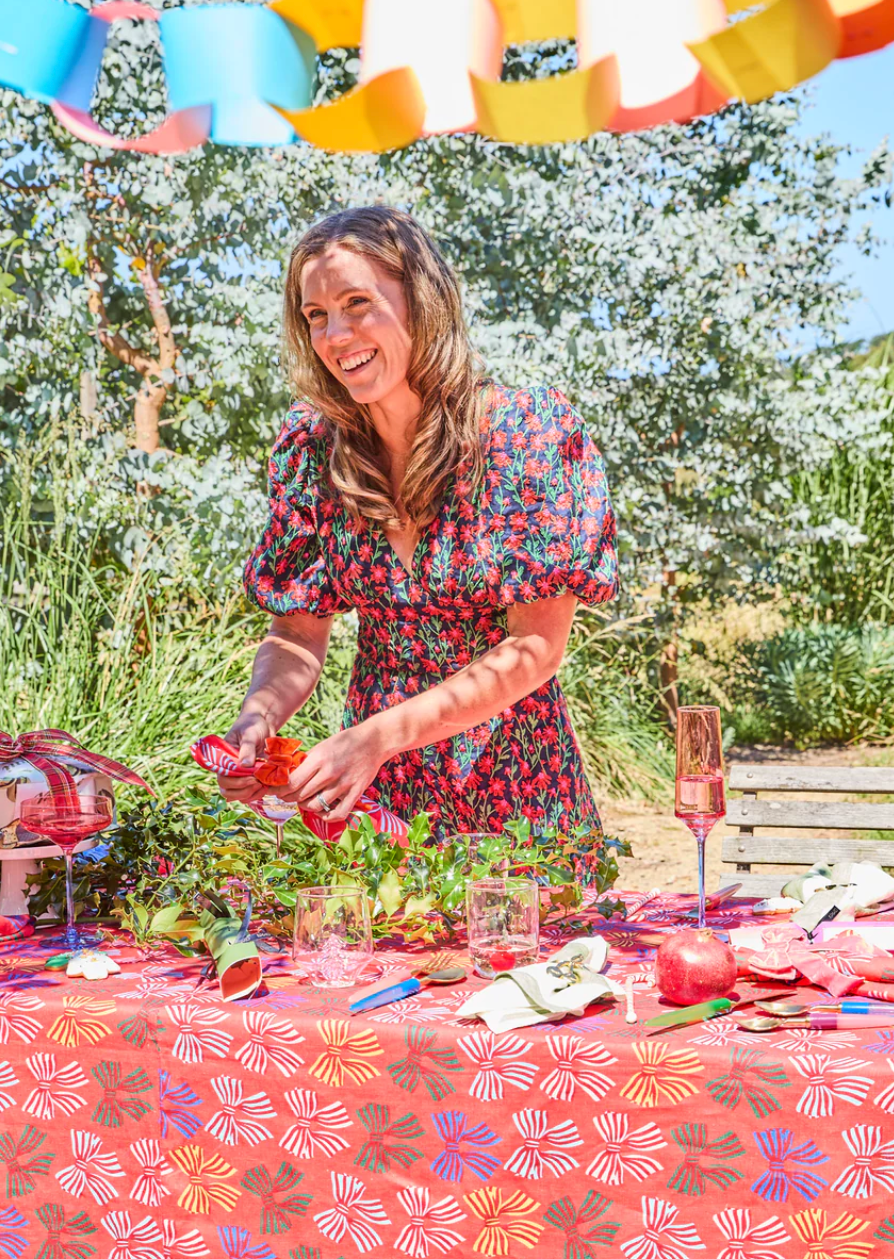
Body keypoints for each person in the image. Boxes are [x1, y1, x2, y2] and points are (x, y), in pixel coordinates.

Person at [217, 205, 619, 840]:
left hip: (519, 796)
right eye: (316, 315)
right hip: (380, 807)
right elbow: (297, 630)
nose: (335, 335)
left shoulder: (522, 435)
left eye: (357, 303)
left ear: (422, 302)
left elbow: (537, 648)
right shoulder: (313, 453)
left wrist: (377, 737)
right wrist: (257, 719)